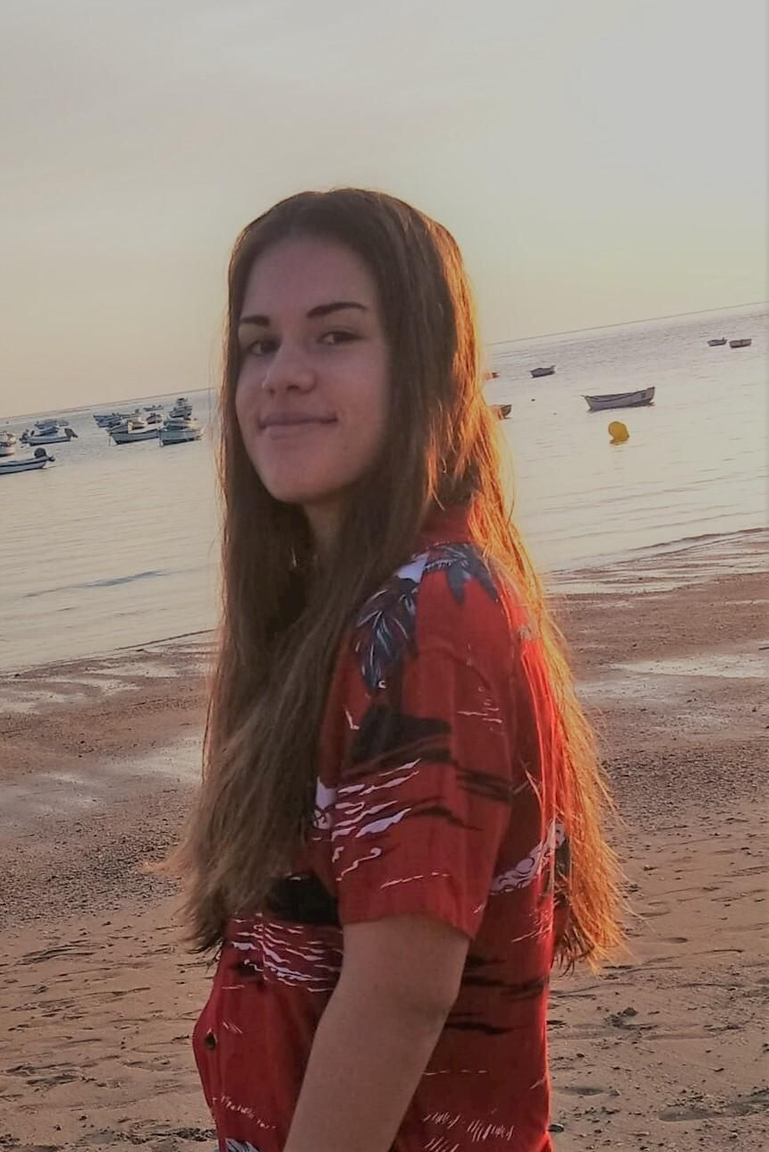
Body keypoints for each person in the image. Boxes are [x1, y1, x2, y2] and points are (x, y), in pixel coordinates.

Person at [164, 189, 622, 1152]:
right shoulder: (359, 610)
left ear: (425, 369)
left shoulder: (426, 618)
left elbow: (400, 995)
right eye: (258, 344)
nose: (282, 375)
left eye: (334, 337)